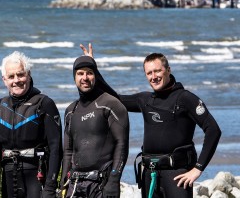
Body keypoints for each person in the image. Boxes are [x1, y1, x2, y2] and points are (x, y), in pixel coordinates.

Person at [81, 44, 221, 198]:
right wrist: (92, 67)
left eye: (157, 71)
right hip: (149, 174)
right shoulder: (145, 100)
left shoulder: (185, 98)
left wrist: (197, 169)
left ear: (168, 70)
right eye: (149, 73)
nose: (153, 77)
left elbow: (213, 130)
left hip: (177, 176)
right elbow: (115, 99)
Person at [0, 51, 62, 198]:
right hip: (9, 177)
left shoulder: (44, 103)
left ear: (28, 75)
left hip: (36, 177)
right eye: (11, 76)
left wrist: (50, 186)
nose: (16, 80)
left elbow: (56, 148)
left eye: (20, 74)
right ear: (4, 79)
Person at [60, 55, 129, 198]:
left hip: (101, 185)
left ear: (96, 76)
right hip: (75, 184)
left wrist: (114, 179)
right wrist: (63, 181)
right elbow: (67, 151)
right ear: (74, 77)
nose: (84, 77)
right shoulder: (70, 111)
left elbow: (121, 144)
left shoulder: (111, 104)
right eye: (80, 73)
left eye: (89, 73)